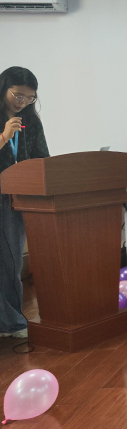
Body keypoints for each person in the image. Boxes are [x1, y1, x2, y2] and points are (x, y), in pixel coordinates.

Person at [0, 67, 50, 339]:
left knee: (11, 260)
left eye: (29, 98)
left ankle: (10, 321)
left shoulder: (31, 121)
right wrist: (4, 137)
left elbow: (42, 157)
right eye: (18, 95)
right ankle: (10, 322)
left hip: (17, 197)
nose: (22, 102)